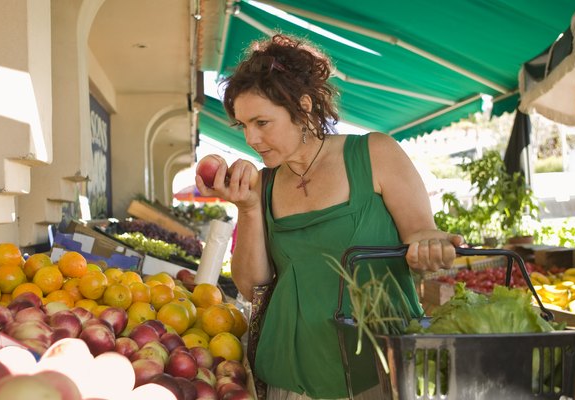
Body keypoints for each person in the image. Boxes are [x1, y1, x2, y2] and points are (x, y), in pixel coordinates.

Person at [195, 34, 463, 400]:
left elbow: (420, 233)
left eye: (262, 122)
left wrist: (430, 246)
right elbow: (251, 286)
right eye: (243, 126)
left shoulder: (374, 154)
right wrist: (248, 208)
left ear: (303, 107)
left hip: (377, 368)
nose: (251, 139)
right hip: (289, 375)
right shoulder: (265, 185)